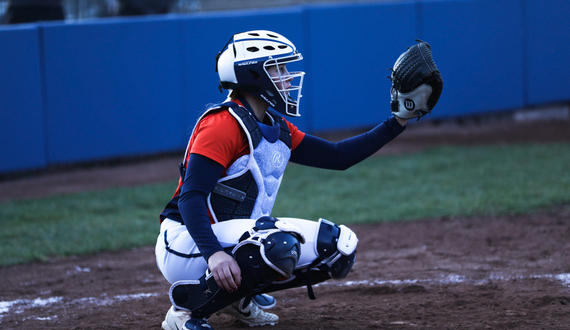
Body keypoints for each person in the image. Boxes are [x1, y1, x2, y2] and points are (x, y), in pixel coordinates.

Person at [155, 30, 411, 330]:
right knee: (275, 244)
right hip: (186, 243)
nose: (288, 77)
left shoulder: (276, 126)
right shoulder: (222, 125)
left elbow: (338, 157)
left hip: (227, 239)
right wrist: (214, 255)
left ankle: (235, 299)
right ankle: (186, 311)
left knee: (337, 247)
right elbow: (191, 197)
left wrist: (399, 120)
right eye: (278, 68)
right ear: (252, 74)